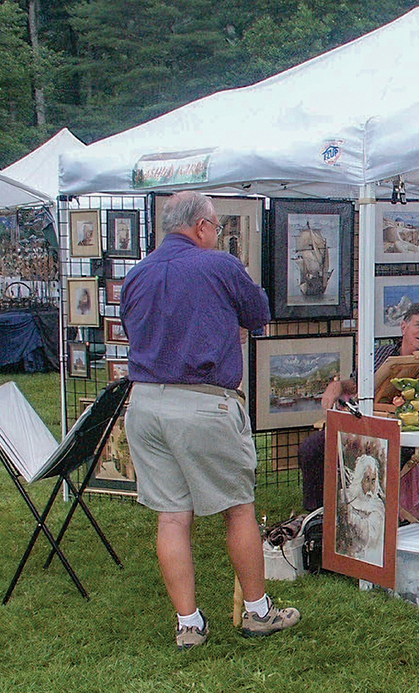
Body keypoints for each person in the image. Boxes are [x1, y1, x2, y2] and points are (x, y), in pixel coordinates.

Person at [121, 191, 300, 649]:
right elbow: (259, 313)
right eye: (216, 226)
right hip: (203, 403)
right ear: (201, 226)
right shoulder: (217, 264)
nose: (216, 234)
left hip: (144, 404)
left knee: (171, 518)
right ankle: (258, 612)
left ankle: (188, 624)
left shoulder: (137, 275)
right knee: (238, 508)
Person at [297, 302, 419, 513]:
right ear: (403, 327)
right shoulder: (381, 355)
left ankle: (376, 515)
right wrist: (336, 385)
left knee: (374, 458)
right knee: (311, 449)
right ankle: (318, 517)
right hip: (363, 426)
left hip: (404, 437)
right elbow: (354, 384)